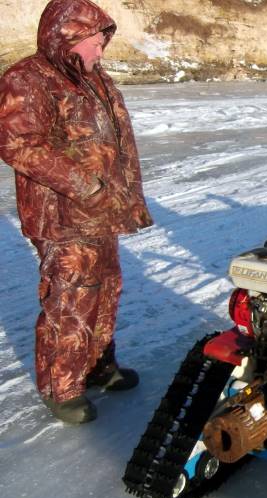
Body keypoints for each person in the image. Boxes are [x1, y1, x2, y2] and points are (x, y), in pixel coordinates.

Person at [0, 0, 153, 424]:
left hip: (102, 211)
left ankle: (98, 367)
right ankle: (61, 387)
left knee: (106, 291)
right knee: (71, 299)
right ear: (66, 38)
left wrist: (120, 196)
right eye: (93, 41)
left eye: (103, 41)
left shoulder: (92, 78)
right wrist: (87, 186)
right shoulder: (28, 78)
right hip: (63, 216)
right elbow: (19, 144)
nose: (100, 50)